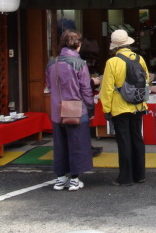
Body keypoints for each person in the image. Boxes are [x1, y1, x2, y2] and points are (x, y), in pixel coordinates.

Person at [45, 30, 95, 191]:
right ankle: (74, 179)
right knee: (77, 144)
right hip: (76, 111)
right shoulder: (79, 64)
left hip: (56, 111)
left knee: (60, 145)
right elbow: (86, 90)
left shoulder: (52, 64)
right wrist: (90, 107)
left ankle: (60, 179)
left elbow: (50, 86)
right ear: (78, 45)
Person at [100, 29, 149, 186]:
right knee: (137, 139)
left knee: (124, 141)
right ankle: (140, 174)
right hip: (138, 105)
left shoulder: (112, 62)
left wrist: (106, 109)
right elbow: (146, 80)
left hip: (120, 107)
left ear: (115, 46)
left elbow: (107, 88)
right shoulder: (139, 59)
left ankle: (126, 177)